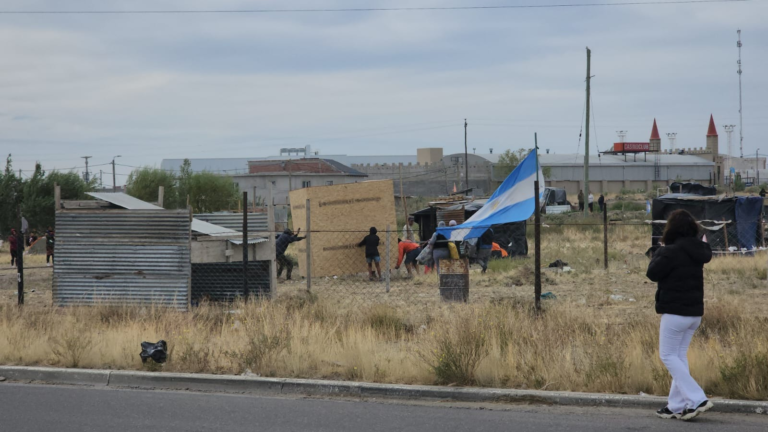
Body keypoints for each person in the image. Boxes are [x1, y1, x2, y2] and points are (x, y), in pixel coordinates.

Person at [646, 209, 714, 421]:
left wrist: (660, 250)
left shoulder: (670, 251)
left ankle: (697, 399)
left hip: (675, 313)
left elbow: (652, 273)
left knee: (667, 356)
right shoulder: (698, 250)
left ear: (671, 229)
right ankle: (675, 405)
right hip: (694, 313)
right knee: (678, 356)